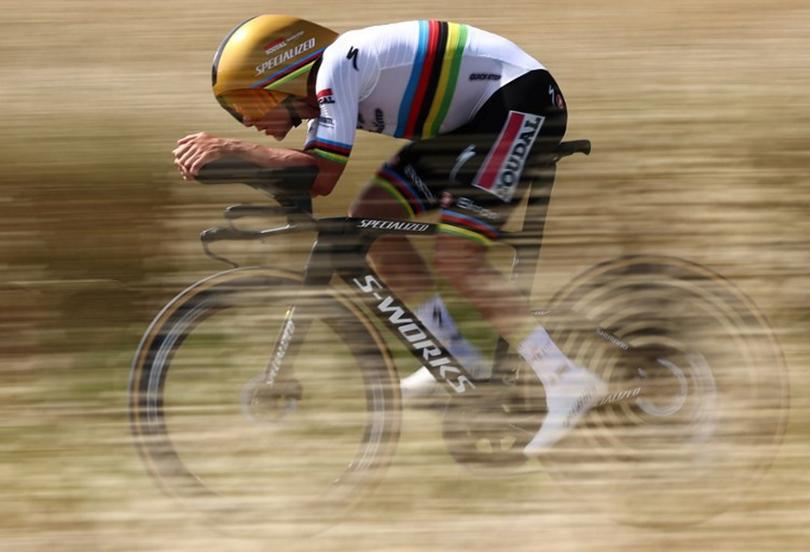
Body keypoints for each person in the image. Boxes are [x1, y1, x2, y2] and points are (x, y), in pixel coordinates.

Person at [173, 15, 606, 454]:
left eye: (247, 103)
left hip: (521, 101)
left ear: (281, 75)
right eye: (236, 113)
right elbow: (305, 180)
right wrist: (231, 167)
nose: (246, 121)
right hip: (477, 123)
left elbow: (322, 176)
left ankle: (566, 379)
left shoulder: (338, 66)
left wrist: (236, 150)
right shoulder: (327, 93)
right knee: (372, 220)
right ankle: (457, 356)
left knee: (458, 257)